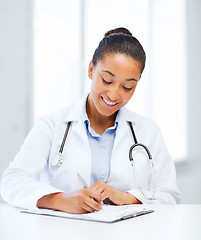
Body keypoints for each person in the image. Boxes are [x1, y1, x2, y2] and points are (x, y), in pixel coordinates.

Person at [0, 27, 181, 214]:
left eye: (127, 87)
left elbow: (170, 196)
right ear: (91, 69)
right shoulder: (52, 125)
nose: (114, 94)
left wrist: (125, 198)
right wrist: (61, 199)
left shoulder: (148, 131)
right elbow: (12, 182)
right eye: (107, 80)